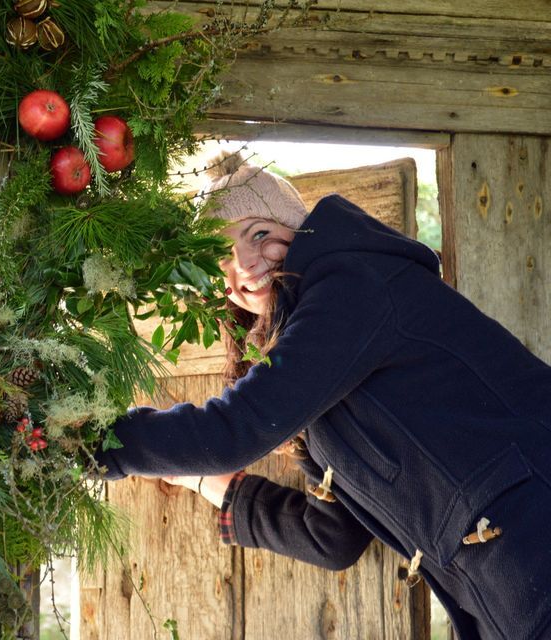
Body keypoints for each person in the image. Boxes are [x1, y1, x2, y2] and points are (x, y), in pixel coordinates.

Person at [94, 158, 551, 640]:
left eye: (258, 234)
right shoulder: (324, 375)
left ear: (300, 227)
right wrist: (208, 480)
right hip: (506, 604)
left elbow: (236, 428)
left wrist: (93, 443)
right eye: (221, 259)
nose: (245, 266)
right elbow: (334, 536)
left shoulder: (354, 284)